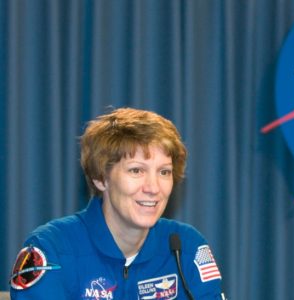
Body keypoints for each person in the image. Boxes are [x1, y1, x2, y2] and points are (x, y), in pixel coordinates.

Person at [9, 108, 225, 299]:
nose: (153, 187)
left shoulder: (186, 246)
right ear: (101, 178)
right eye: (136, 170)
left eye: (164, 172)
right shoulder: (52, 247)